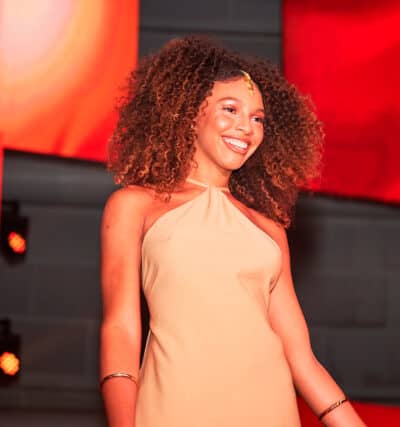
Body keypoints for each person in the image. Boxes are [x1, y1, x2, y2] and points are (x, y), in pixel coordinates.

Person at [100, 36, 366, 426]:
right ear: (190, 112)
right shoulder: (135, 206)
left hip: (269, 411)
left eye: (258, 119)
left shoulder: (268, 229)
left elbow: (302, 360)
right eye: (230, 109)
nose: (246, 128)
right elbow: (121, 329)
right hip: (174, 407)